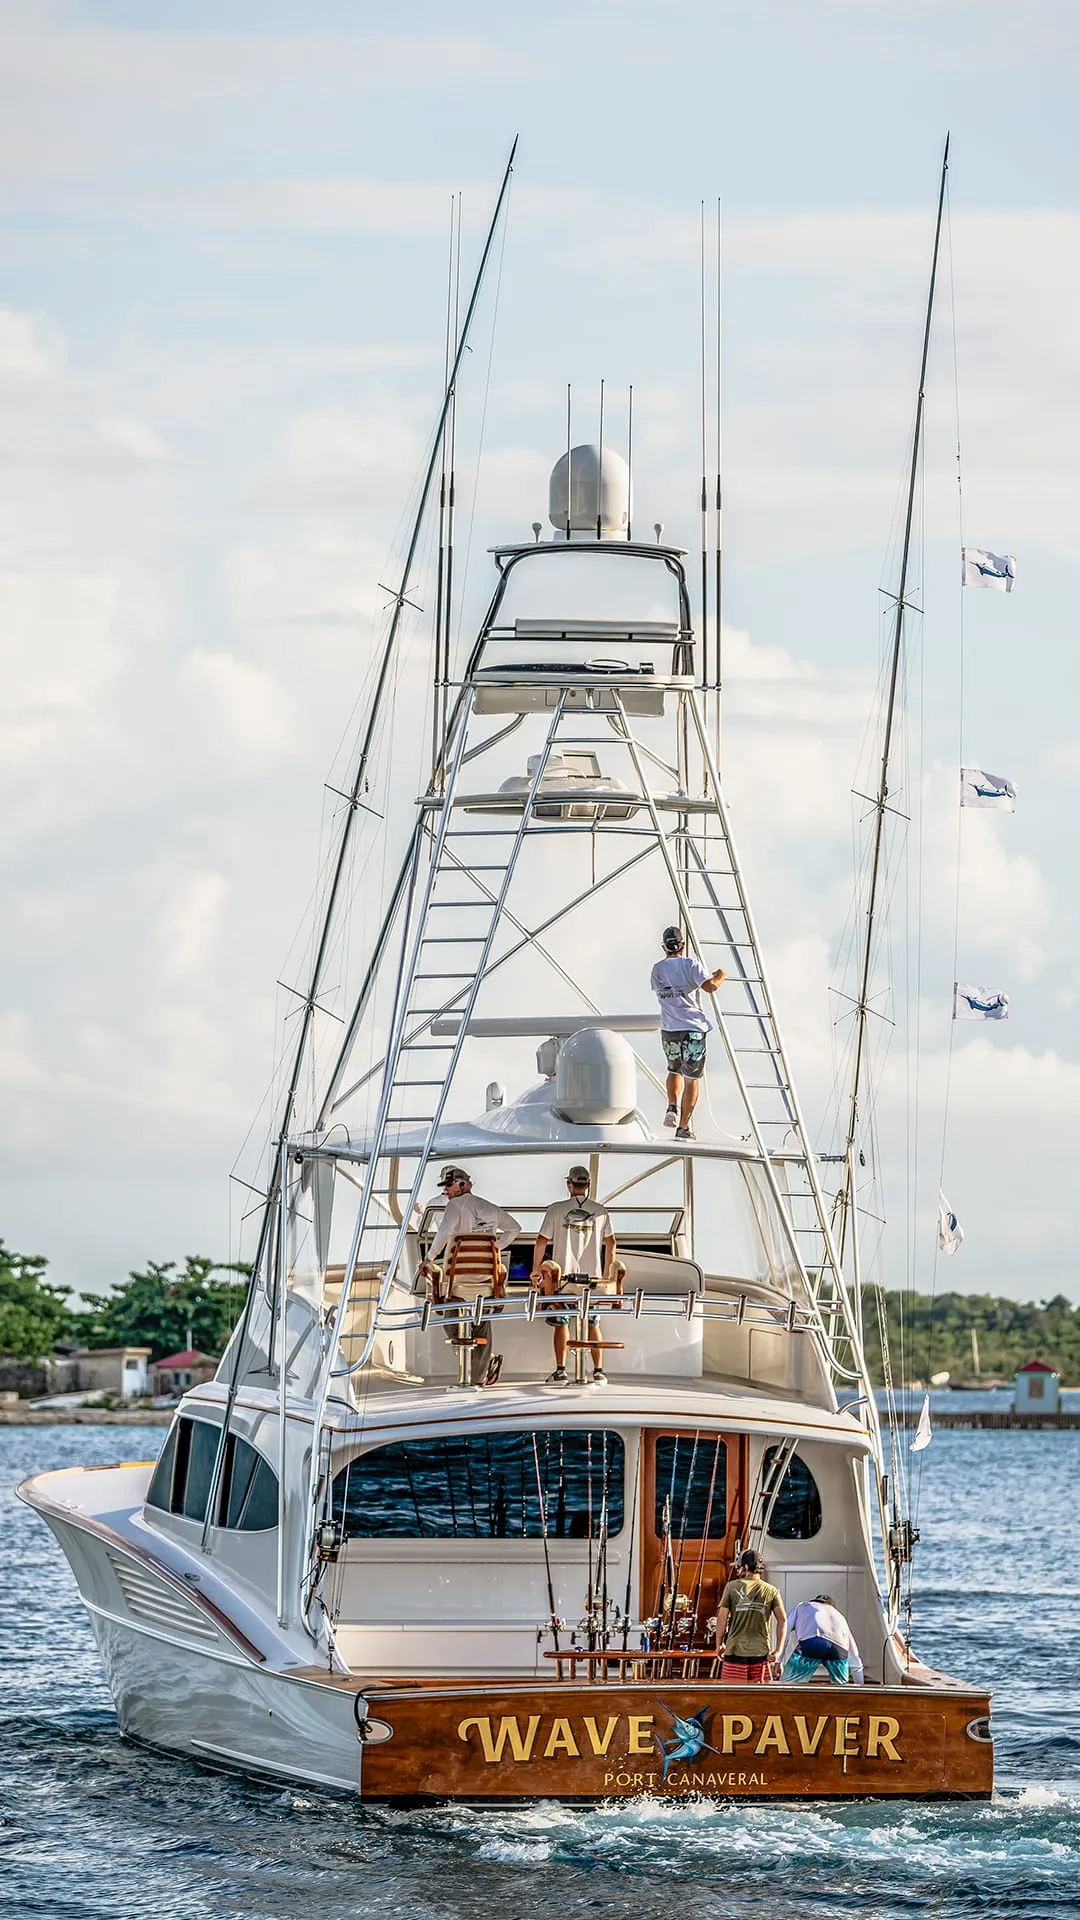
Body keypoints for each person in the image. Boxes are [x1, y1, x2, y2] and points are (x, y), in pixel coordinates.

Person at [420, 1167, 520, 1386]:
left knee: (448, 1316)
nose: (446, 1190)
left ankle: (476, 1371)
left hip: (458, 1282)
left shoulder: (455, 1206)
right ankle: (480, 1372)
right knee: (480, 1321)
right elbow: (514, 1228)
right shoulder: (491, 1208)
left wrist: (428, 1259)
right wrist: (494, 1250)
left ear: (463, 1185)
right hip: (486, 1281)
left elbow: (443, 1233)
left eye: (449, 1185)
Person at [531, 1164, 626, 1388]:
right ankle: (599, 1372)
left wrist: (536, 1270)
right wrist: (606, 1274)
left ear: (569, 1184)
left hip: (563, 1282)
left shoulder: (555, 1209)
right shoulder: (601, 1211)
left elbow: (541, 1241)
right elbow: (611, 1242)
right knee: (592, 1322)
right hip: (592, 1283)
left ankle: (561, 1370)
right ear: (588, 1185)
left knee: (561, 1323)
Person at [650, 926, 726, 1140]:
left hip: (670, 1030)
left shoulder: (657, 970)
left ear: (664, 947)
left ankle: (672, 1107)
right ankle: (683, 1127)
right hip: (693, 1029)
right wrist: (720, 976)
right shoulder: (690, 964)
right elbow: (710, 986)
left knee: (674, 1071)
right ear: (682, 945)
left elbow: (663, 991)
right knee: (692, 1079)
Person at [715, 1548, 787, 1683]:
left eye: (738, 1567)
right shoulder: (771, 1590)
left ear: (746, 1567)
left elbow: (722, 1618)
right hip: (760, 1654)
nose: (737, 1570)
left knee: (732, 1694)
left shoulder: (731, 1587)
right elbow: (782, 1620)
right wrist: (778, 1651)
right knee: (759, 1698)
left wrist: (719, 1644)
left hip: (734, 1651)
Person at [781, 1594, 864, 1685]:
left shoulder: (802, 1606)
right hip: (839, 1650)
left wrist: (778, 1660)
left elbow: (785, 1630)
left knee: (788, 1684)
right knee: (841, 1689)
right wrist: (861, 1687)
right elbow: (855, 1658)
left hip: (813, 1643)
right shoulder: (839, 1616)